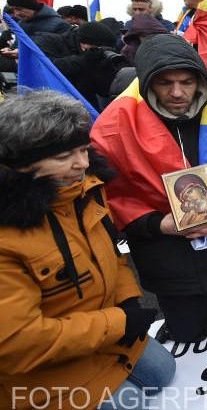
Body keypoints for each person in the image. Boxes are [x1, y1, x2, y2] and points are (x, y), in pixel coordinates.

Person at [0, 91, 175, 409]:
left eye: (83, 149)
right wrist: (118, 323)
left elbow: (112, 252)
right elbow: (17, 343)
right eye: (63, 156)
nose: (81, 164)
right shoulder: (6, 237)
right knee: (132, 403)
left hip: (101, 334)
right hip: (43, 370)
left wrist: (128, 300)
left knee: (164, 372)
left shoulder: (87, 190)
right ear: (22, 163)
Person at [91, 34, 207, 343]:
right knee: (189, 334)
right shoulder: (111, 128)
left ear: (200, 79)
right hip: (167, 255)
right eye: (164, 83)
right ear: (146, 82)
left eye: (186, 82)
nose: (177, 93)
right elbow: (109, 197)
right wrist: (160, 225)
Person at [5, 0, 71, 37]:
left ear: (30, 6)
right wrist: (10, 50)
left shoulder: (60, 25)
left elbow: (65, 52)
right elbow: (17, 45)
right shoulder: (21, 24)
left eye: (19, 9)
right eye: (13, 10)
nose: (16, 13)